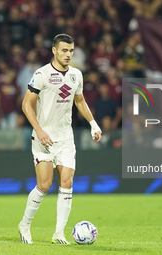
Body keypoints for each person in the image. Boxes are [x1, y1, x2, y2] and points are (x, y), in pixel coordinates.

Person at [18, 34, 102, 245]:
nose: (68, 54)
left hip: (66, 138)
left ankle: (59, 232)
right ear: (54, 50)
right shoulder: (41, 74)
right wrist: (39, 130)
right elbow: (26, 104)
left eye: (71, 50)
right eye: (64, 50)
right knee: (44, 185)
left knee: (67, 182)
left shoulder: (76, 75)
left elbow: (80, 100)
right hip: (43, 137)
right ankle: (24, 225)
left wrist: (93, 123)